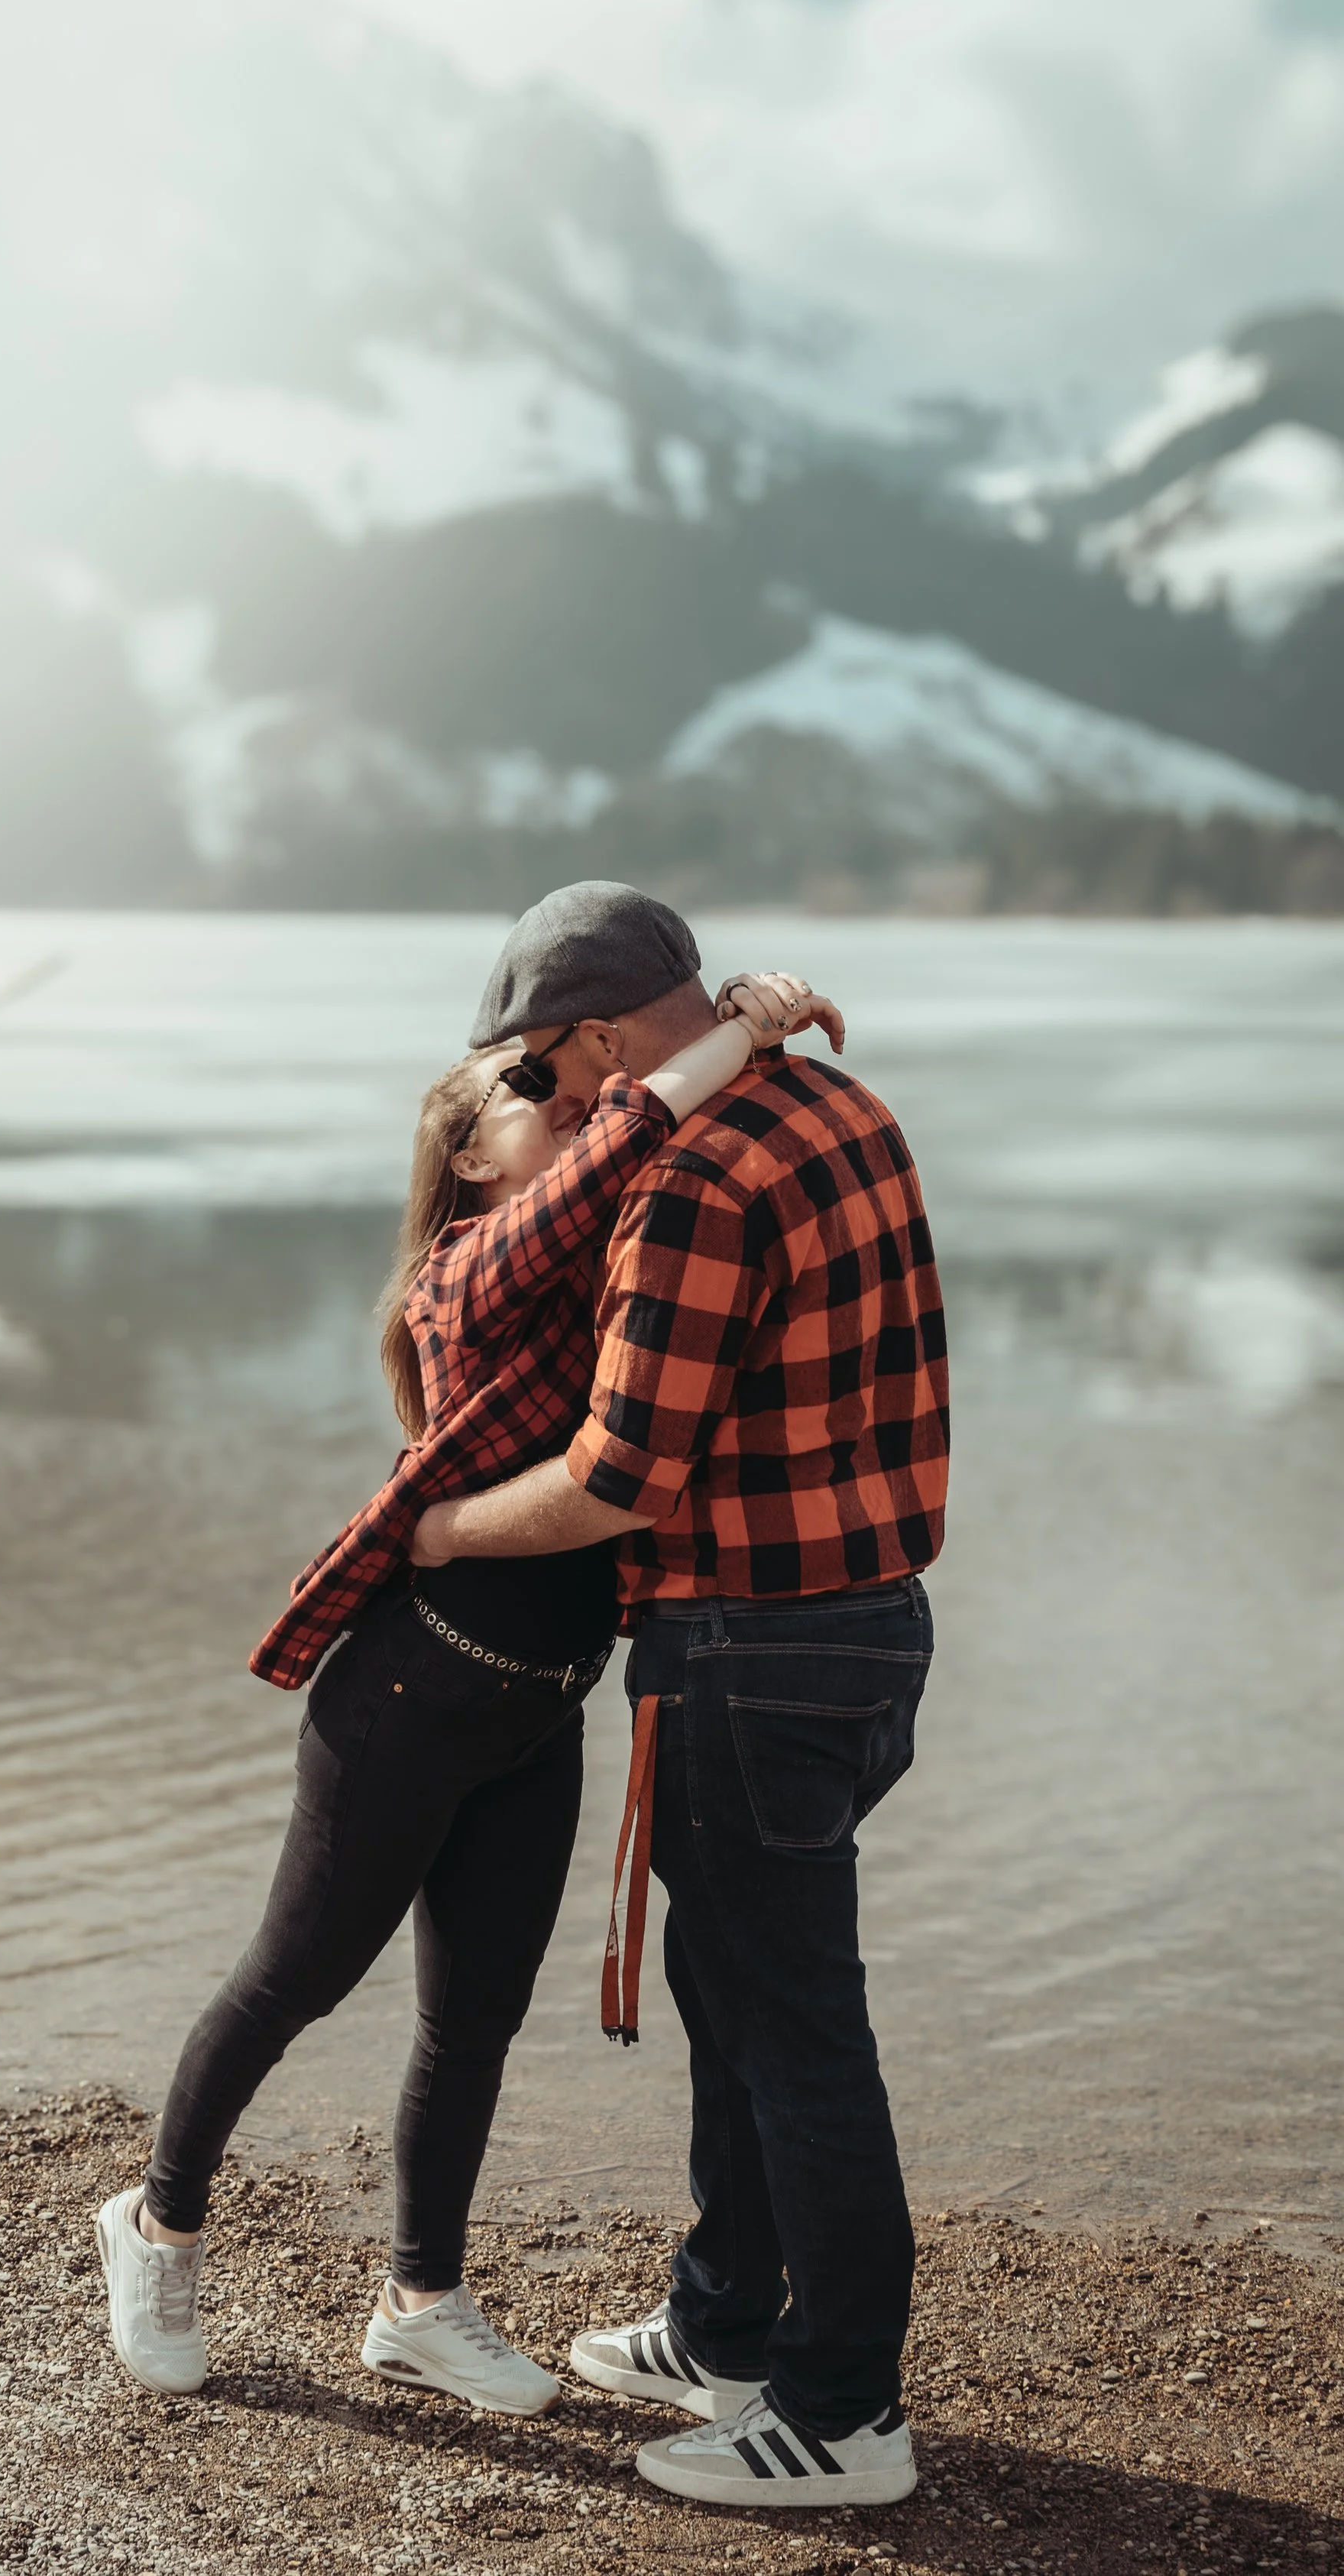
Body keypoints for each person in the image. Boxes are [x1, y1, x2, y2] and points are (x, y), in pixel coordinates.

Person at [94, 957, 845, 2416]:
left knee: (476, 2020)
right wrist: (739, 1027)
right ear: (466, 1156)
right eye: (534, 1107)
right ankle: (158, 2221)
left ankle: (420, 2302)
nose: (569, 1118)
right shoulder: (468, 1273)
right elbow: (633, 1128)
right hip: (405, 1701)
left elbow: (653, 1130)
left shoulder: (607, 1266)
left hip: (538, 1702)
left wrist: (709, 1016)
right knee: (293, 1980)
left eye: (570, 1092)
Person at [410, 880, 949, 2510]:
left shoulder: (690, 1183)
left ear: (588, 1035)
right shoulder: (838, 1101)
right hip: (869, 1625)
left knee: (794, 2035)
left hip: (742, 1649)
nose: (546, 1106)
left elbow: (615, 1481)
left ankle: (844, 2413)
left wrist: (430, 1529)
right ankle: (723, 2325)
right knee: (740, 1996)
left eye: (535, 1071)